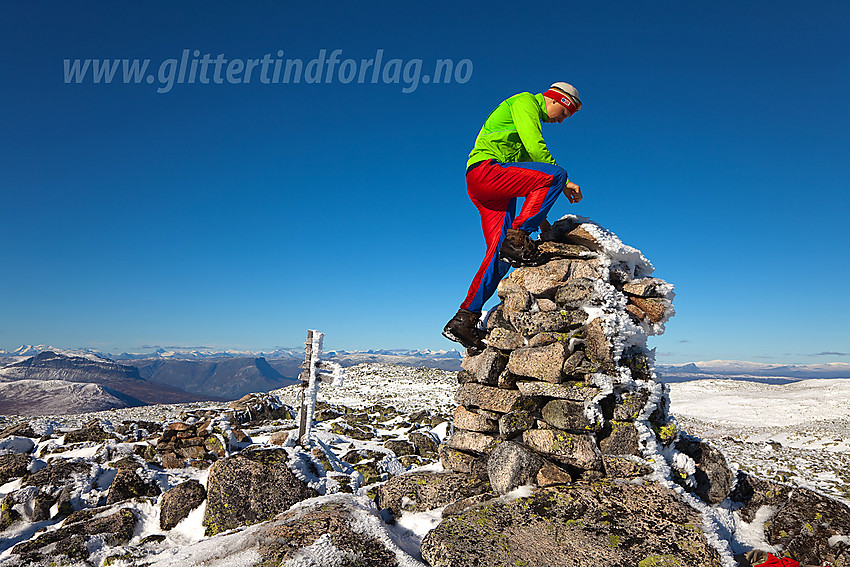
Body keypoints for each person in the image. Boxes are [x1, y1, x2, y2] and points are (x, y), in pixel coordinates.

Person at [442, 82, 584, 353]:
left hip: (488, 185)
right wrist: (562, 181)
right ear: (559, 101)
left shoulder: (519, 129)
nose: (563, 120)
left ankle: (465, 318)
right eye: (567, 113)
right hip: (486, 172)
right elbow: (535, 145)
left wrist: (543, 223)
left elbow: (530, 184)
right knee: (555, 175)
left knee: (500, 255)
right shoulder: (525, 102)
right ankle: (518, 238)